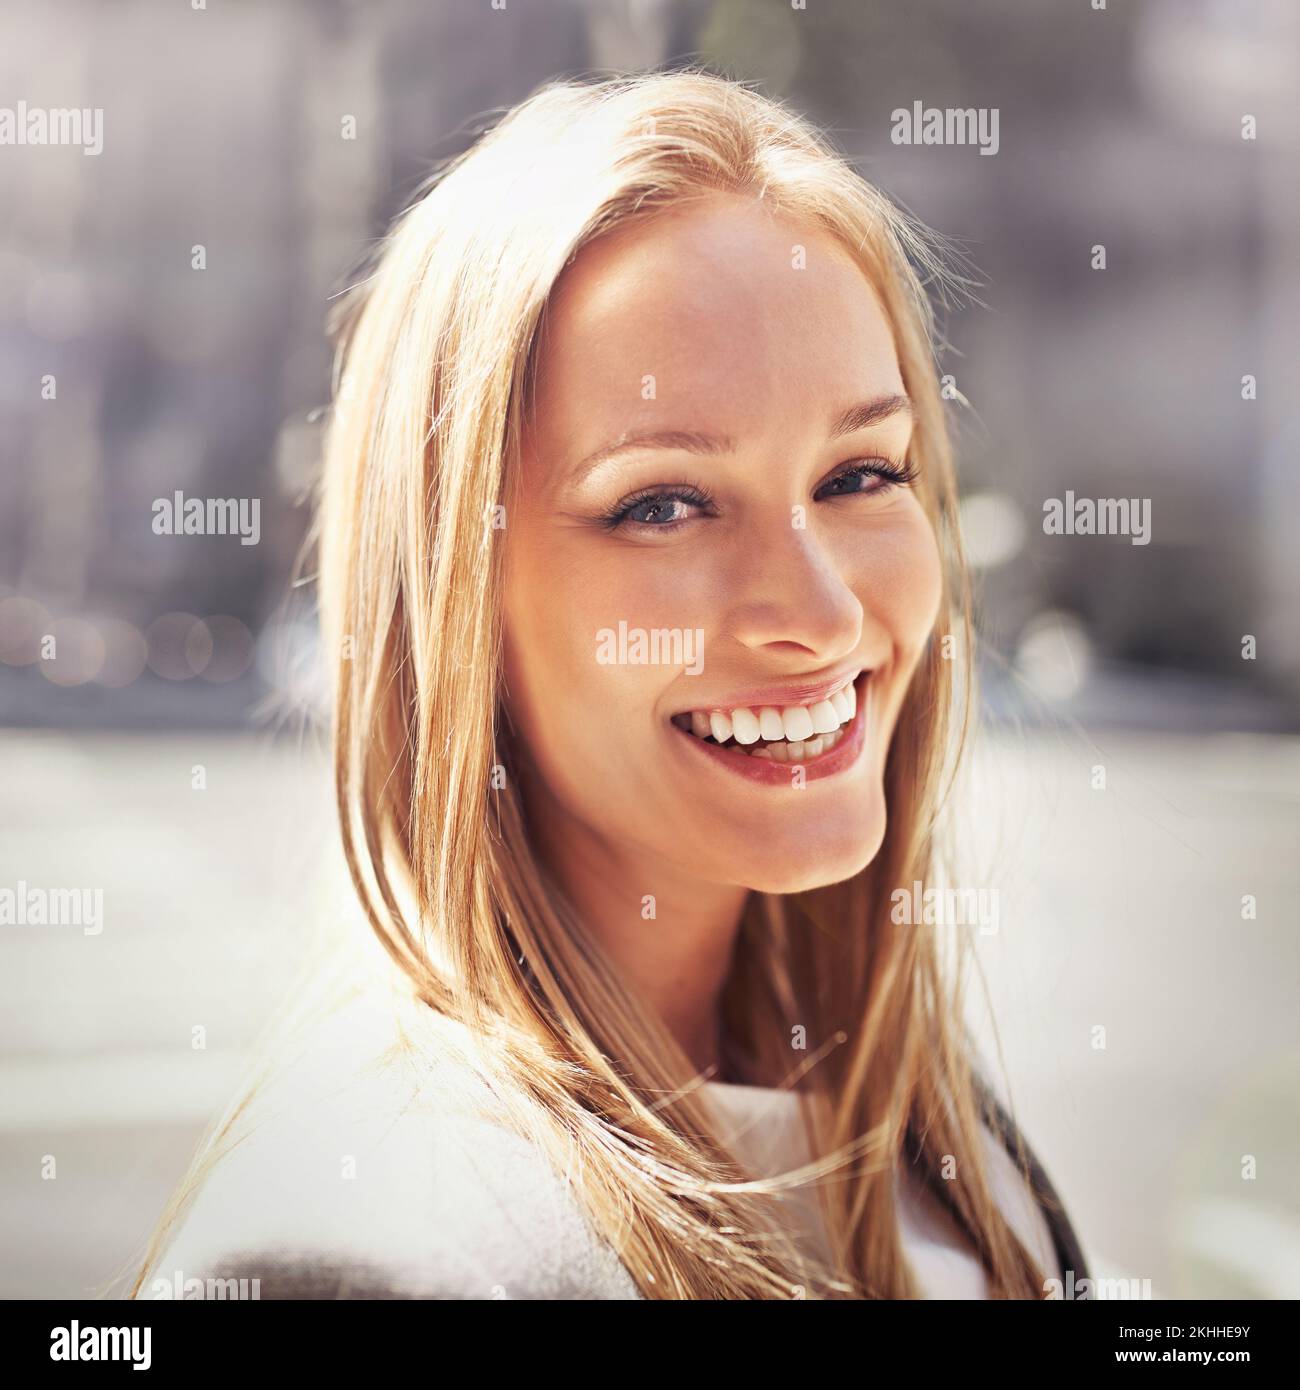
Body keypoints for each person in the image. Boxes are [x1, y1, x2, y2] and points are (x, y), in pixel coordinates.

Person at [130, 67, 1089, 1301]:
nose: (820, 613)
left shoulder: (908, 1124)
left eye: (860, 474)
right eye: (663, 503)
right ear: (452, 600)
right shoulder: (364, 1249)